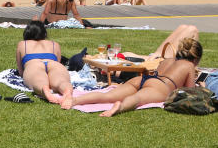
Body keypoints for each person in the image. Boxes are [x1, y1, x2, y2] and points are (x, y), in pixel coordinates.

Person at [71, 25, 202, 117]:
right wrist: (201, 87)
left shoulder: (167, 60)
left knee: (108, 96)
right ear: (195, 58)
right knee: (137, 98)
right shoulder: (188, 65)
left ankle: (75, 101)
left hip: (145, 79)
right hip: (161, 87)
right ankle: (120, 108)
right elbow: (190, 92)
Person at [15, 21, 73, 108]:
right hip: (53, 64)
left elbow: (20, 70)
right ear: (44, 33)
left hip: (33, 64)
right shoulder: (54, 44)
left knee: (39, 80)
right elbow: (58, 60)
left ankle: (44, 89)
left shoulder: (22, 44)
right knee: (61, 81)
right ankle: (67, 91)